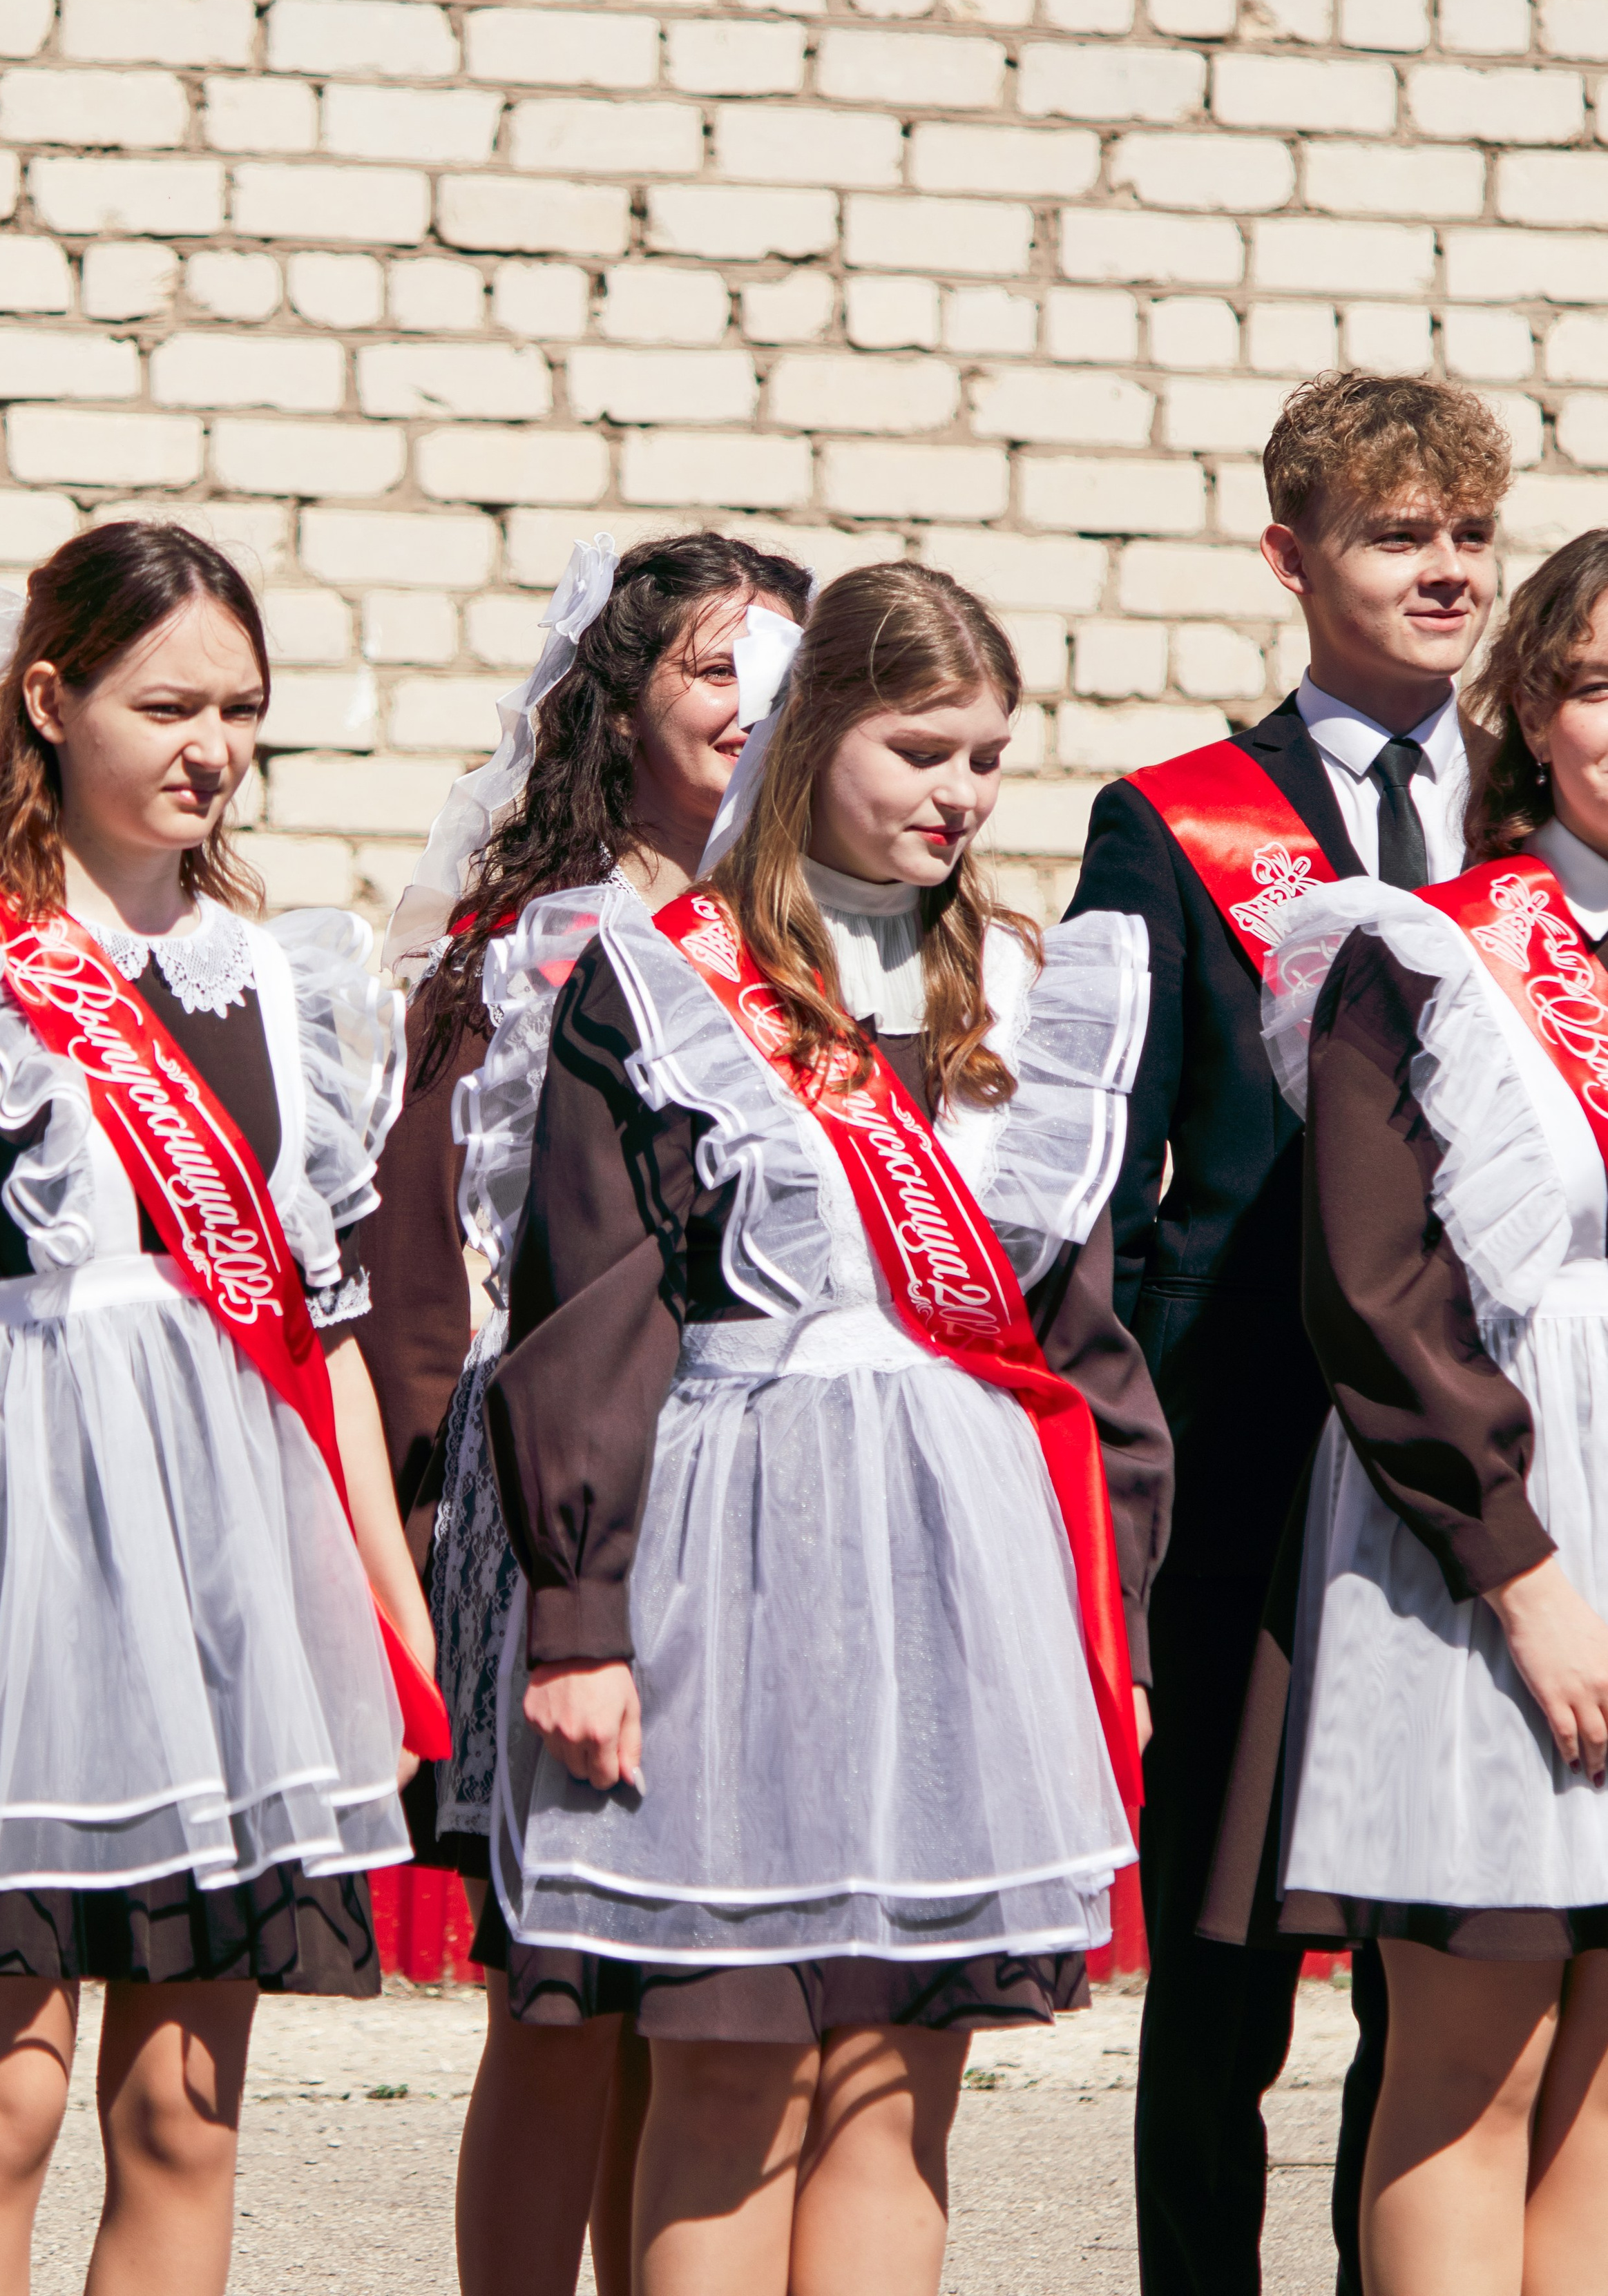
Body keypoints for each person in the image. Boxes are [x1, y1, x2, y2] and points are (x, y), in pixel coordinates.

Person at [484, 560, 1169, 2295]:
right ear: (808, 741)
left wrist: (1123, 1623)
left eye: (986, 760)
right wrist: (577, 1616)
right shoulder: (657, 981)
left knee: (898, 2085)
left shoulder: (1024, 991)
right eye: (919, 748)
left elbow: (1076, 1341)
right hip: (731, 1554)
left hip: (965, 1567)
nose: (958, 794)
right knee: (733, 2071)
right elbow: (588, 1314)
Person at [0, 518, 437, 2296]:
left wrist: (394, 1626)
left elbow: (324, 1342)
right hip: (11, 1575)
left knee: (186, 2108)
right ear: (50, 700)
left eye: (241, 711)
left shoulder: (283, 983)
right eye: (167, 703)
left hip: (234, 1590)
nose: (212, 750)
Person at [1064, 371, 1508, 2296]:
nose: (1444, 574)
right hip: (1249, 1444)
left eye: (1470, 538)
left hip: (1488, 1455)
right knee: (1224, 1971)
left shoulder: (1537, 809)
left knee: (1450, 1943)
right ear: (1291, 556)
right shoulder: (1167, 823)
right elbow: (1104, 1168)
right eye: (1397, 536)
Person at [360, 526, 810, 2296]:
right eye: (713, 667)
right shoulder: (540, 943)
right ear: (619, 703)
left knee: (704, 1994)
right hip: (571, 1500)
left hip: (769, 1499)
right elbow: (422, 1268)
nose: (749, 706)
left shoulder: (819, 937)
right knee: (562, 1998)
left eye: (780, 672)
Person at [1207, 527, 1608, 2295]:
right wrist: (1522, 1574)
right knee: (1474, 2054)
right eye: (1600, 682)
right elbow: (1369, 1290)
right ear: (1530, 708)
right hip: (1485, 1540)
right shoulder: (1417, 951)